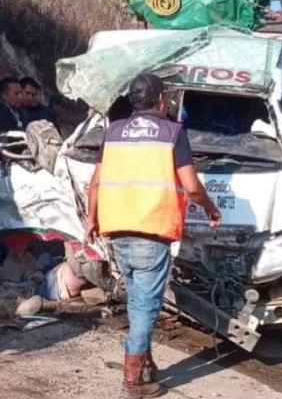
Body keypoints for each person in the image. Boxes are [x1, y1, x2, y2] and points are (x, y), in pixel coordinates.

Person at [85, 73, 221, 397]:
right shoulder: (173, 132)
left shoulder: (114, 131)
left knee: (137, 300)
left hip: (118, 229)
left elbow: (96, 182)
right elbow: (191, 186)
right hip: (152, 229)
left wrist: (91, 220)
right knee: (146, 306)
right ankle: (133, 381)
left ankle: (143, 364)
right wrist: (210, 208)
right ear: (161, 99)